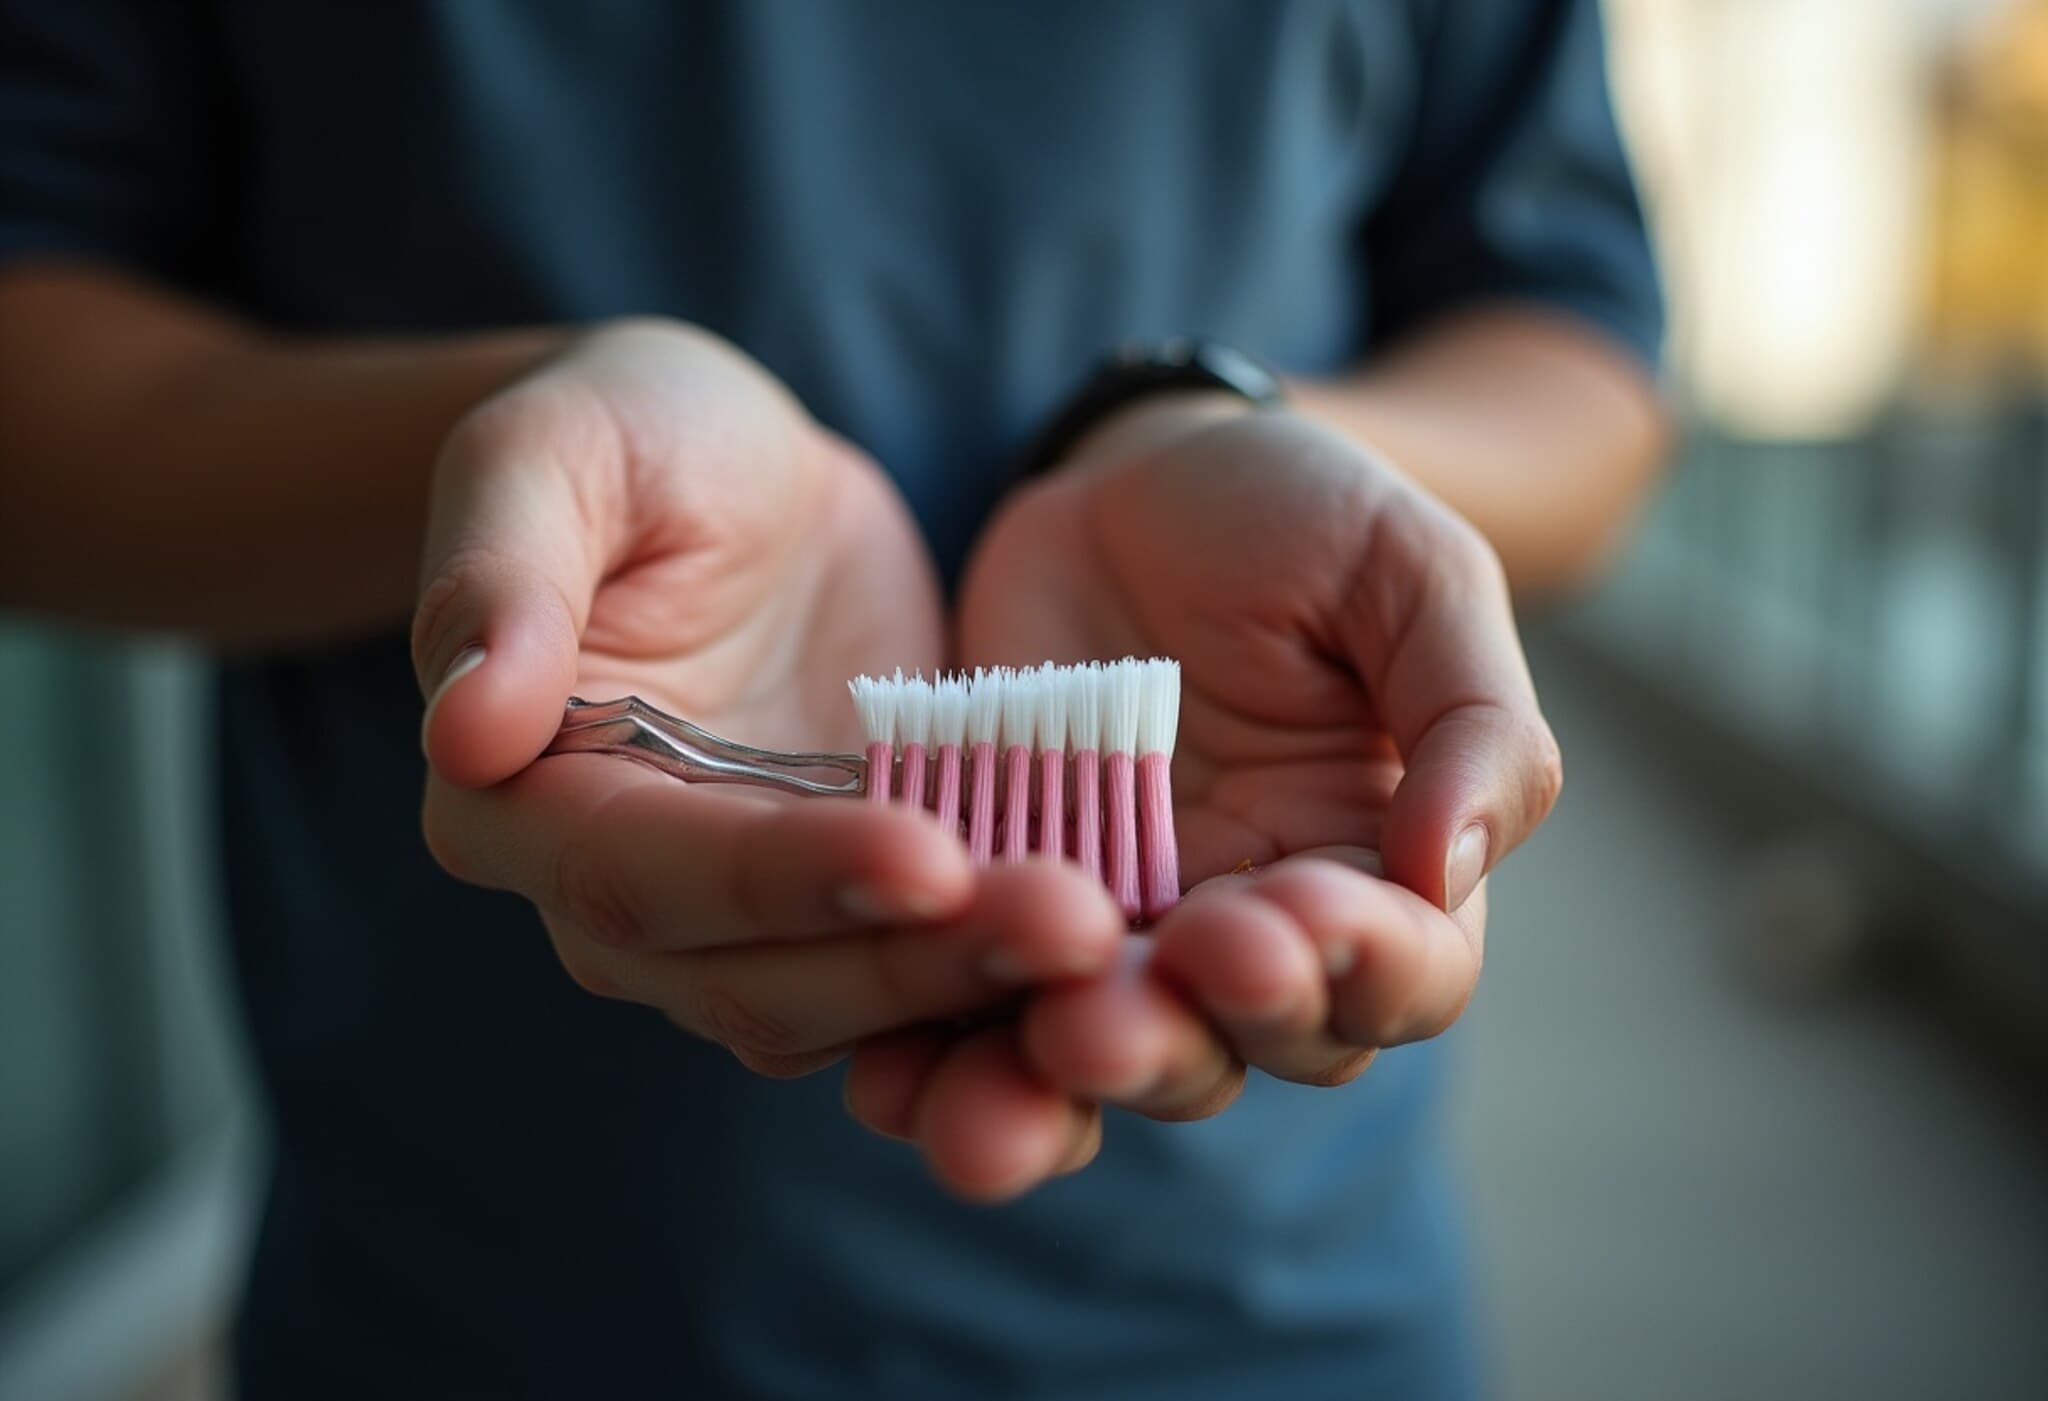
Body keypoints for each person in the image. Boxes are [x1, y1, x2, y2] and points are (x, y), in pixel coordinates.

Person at [0, 2, 1667, 1397]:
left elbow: (1580, 365)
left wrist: (1212, 424)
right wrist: (508, 447)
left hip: (1278, 1314)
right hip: (462, 1299)